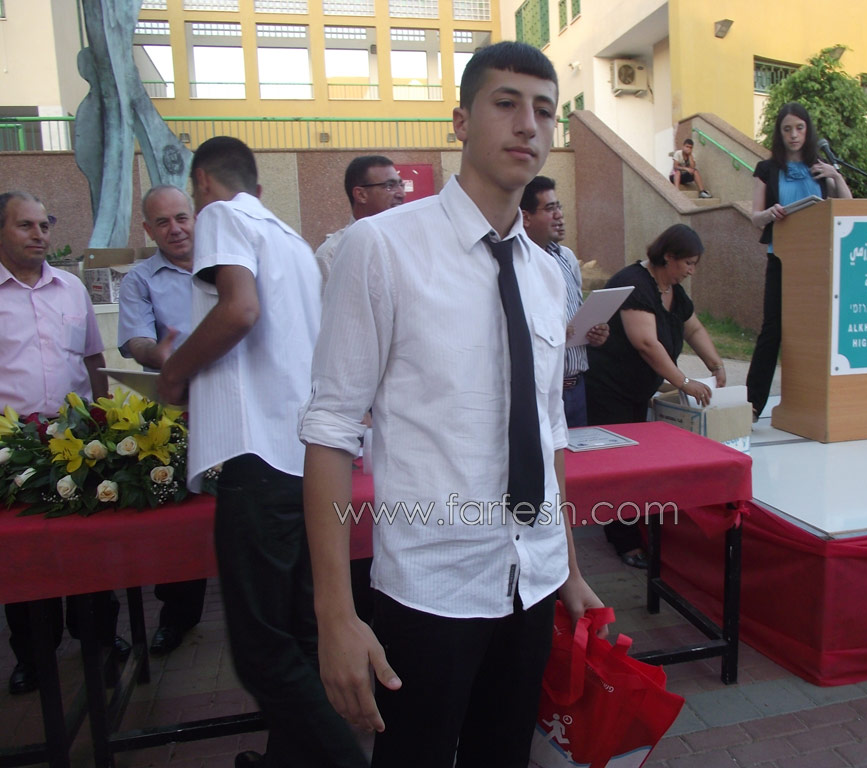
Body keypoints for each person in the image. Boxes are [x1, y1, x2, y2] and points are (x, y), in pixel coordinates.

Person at [300, 41, 604, 768]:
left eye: (544, 110)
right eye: (507, 104)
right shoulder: (380, 249)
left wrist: (566, 567)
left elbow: (549, 428)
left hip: (531, 580)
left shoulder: (545, 274)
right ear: (461, 121)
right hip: (430, 589)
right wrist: (335, 615)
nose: (528, 124)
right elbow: (331, 431)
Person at [157, 138, 367, 768]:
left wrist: (175, 372)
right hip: (304, 461)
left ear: (202, 182)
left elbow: (240, 309)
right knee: (299, 637)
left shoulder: (223, 215)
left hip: (258, 459)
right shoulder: (291, 240)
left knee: (263, 652)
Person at [0, 191, 127, 695]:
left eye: (44, 225)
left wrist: (105, 421)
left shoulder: (71, 289)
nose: (39, 235)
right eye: (25, 225)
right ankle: (33, 654)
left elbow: (94, 359)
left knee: (87, 543)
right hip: (14, 446)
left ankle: (100, 636)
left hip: (77, 438)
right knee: (25, 552)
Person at [585, 224, 726, 568]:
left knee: (636, 463)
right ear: (668, 257)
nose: (691, 271)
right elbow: (646, 343)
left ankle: (636, 527)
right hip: (609, 388)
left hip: (636, 390)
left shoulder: (672, 290)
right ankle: (625, 541)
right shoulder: (635, 283)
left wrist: (715, 363)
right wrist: (683, 381)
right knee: (618, 466)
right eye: (688, 263)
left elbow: (692, 326)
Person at [117, 185, 206, 658]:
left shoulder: (227, 265)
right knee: (180, 519)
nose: (175, 229)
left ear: (195, 217)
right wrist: (160, 355)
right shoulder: (140, 280)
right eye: (163, 222)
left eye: (181, 218)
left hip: (242, 410)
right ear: (148, 230)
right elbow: (135, 341)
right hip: (178, 413)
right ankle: (177, 617)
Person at [746, 102, 852, 420]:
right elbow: (755, 217)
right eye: (787, 129)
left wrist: (836, 176)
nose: (794, 135)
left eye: (800, 128)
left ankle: (815, 403)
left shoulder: (821, 168)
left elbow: (846, 207)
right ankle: (752, 406)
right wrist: (770, 213)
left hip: (817, 262)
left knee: (815, 330)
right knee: (772, 330)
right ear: (779, 134)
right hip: (781, 258)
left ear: (808, 131)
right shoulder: (766, 169)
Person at [520, 175, 609, 427]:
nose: (559, 215)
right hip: (540, 391)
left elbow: (575, 313)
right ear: (525, 217)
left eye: (559, 206)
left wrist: (594, 333)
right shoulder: (517, 262)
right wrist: (553, 331)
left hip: (576, 387)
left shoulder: (567, 258)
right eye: (550, 209)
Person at [314, 155, 405, 286]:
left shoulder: (409, 242)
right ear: (361, 195)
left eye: (401, 185)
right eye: (389, 186)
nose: (401, 194)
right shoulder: (332, 254)